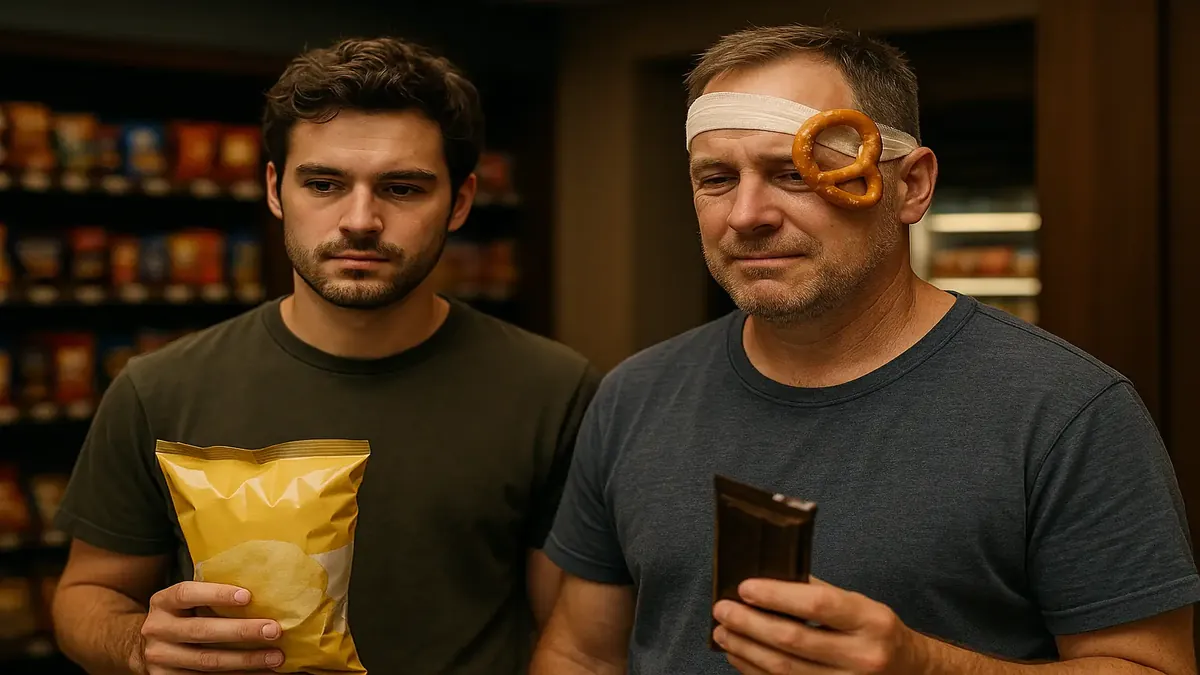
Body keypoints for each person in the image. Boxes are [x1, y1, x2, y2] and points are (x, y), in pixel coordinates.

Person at [531, 23, 1199, 675]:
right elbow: (583, 653)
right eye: (716, 178)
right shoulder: (636, 393)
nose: (746, 214)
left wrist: (924, 666)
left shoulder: (1065, 411)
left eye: (794, 173)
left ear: (910, 186)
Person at [50, 37, 597, 675]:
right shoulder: (160, 387)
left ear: (462, 201)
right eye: (325, 184)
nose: (360, 220)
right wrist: (138, 644)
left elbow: (575, 641)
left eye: (402, 188)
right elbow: (84, 596)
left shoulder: (553, 390)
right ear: (277, 190)